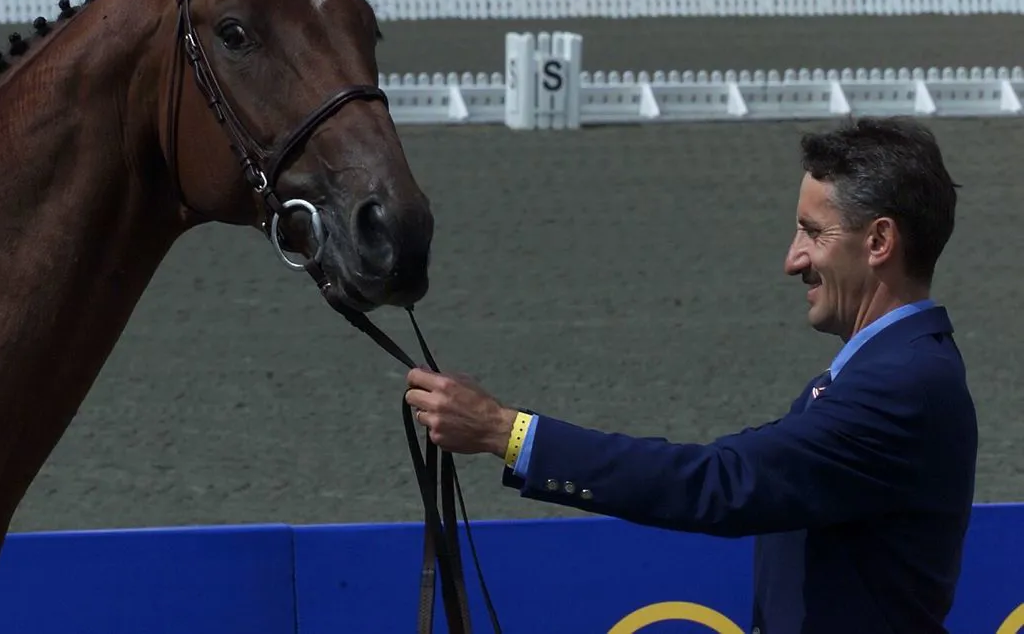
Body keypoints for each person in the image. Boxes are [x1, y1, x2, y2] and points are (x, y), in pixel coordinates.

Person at [405, 116, 977, 634]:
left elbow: (718, 483)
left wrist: (505, 432)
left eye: (813, 232)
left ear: (879, 241)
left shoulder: (902, 386)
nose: (793, 259)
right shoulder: (888, 371)